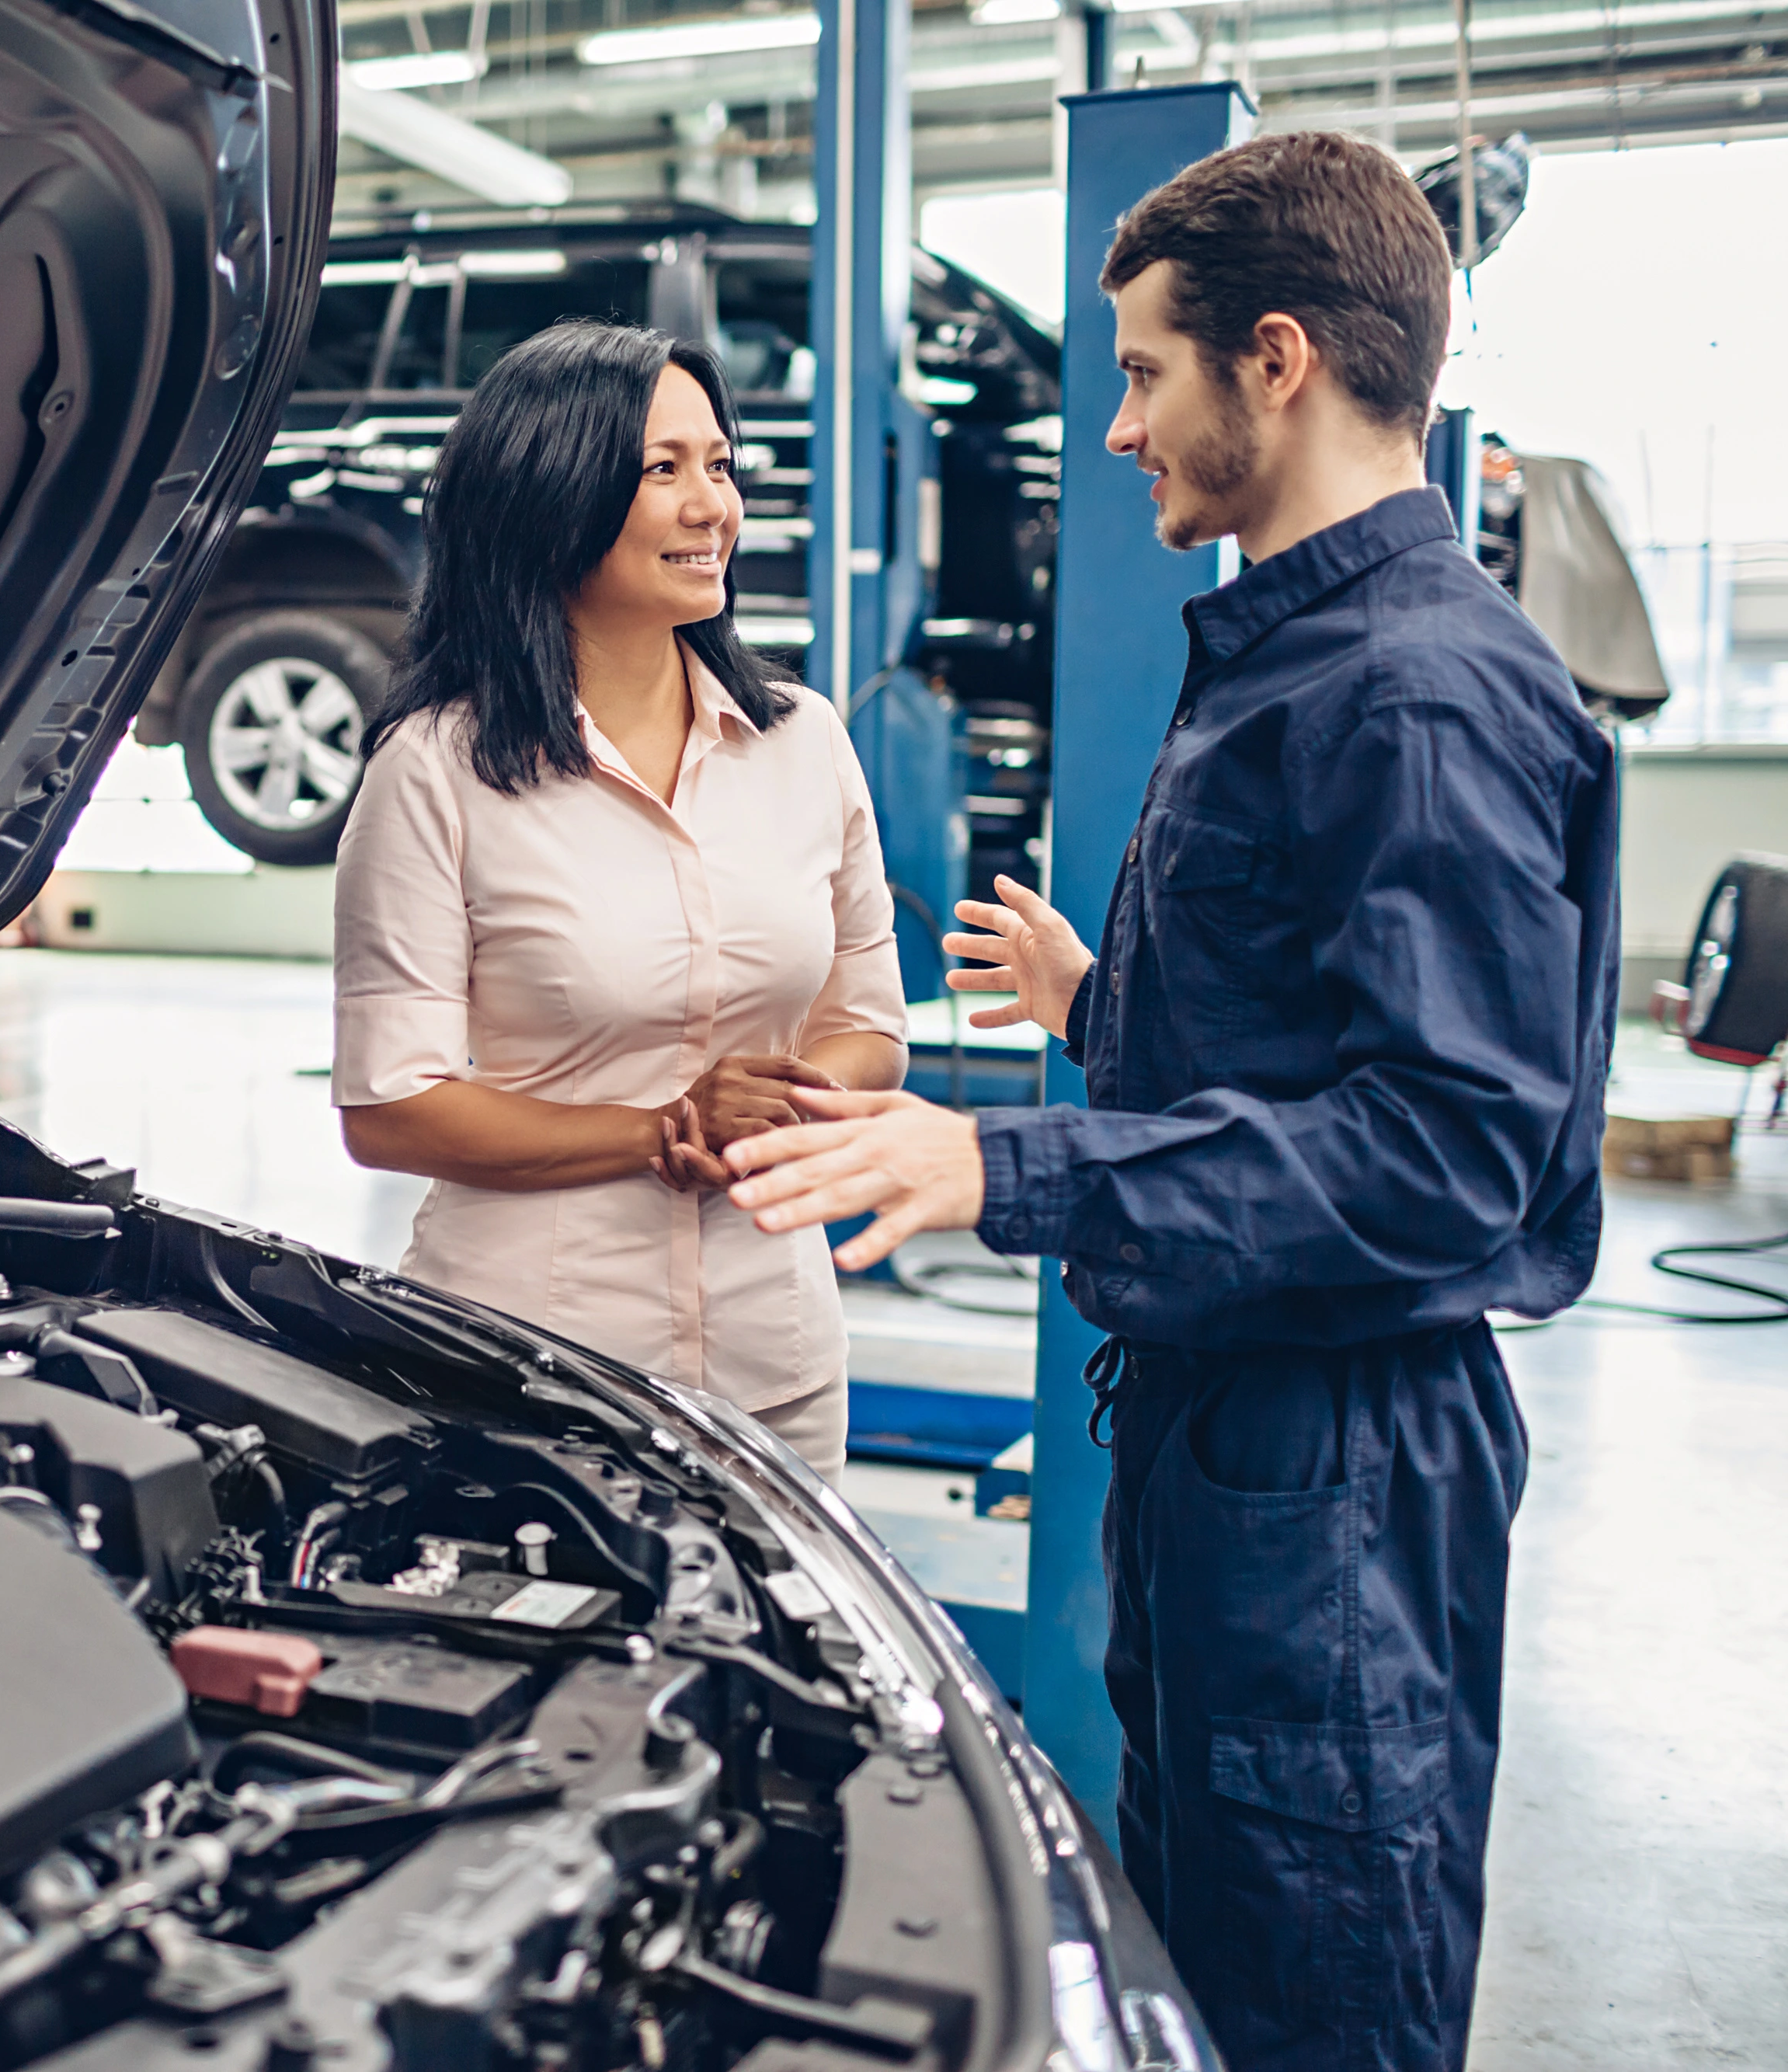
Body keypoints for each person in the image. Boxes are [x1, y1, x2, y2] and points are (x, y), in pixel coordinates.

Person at [717, 133, 1618, 2070]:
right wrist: (1099, 1007)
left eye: (1138, 371)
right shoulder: (1294, 654)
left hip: (1335, 1466)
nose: (1115, 428)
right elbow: (1313, 1055)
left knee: (1311, 1991)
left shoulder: (1407, 691)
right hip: (1239, 1446)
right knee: (1204, 1951)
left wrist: (995, 1157)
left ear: (1271, 359)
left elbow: (1442, 1156)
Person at [330, 320, 907, 1480]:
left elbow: (871, 1028)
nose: (713, 507)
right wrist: (658, 1132)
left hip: (774, 1364)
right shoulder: (438, 769)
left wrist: (780, 1100)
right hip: (528, 1366)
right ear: (553, 495)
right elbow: (390, 1108)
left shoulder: (803, 743)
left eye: (721, 465)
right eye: (664, 470)